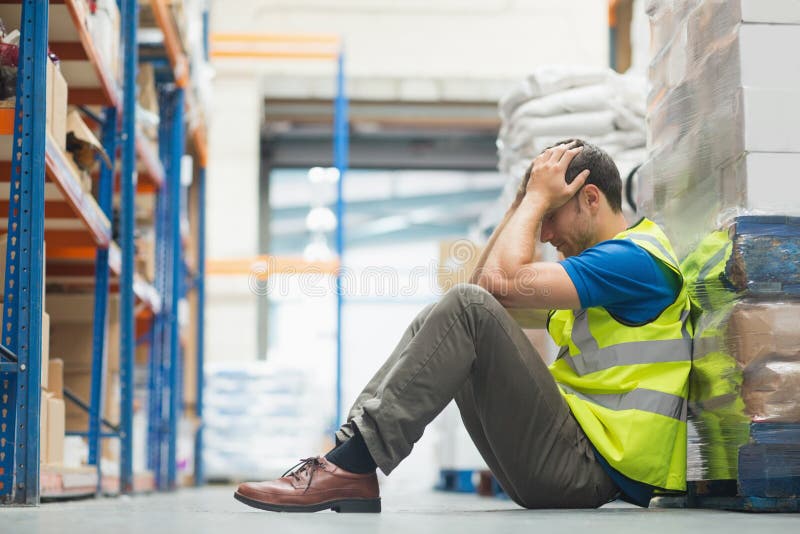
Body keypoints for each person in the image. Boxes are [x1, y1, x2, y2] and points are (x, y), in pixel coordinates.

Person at [234, 139, 692, 513]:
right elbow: (477, 297)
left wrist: (535, 198)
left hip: (589, 469)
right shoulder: (605, 272)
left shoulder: (636, 261)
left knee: (466, 307)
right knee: (441, 315)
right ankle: (348, 460)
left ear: (591, 199)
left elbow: (489, 293)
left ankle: (351, 465)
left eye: (551, 216)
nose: (545, 235)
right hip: (571, 462)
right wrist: (523, 202)